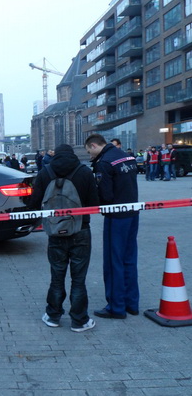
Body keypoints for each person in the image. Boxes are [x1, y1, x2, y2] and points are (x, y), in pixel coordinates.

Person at [29, 144, 99, 332]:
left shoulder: (45, 172)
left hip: (55, 231)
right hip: (81, 230)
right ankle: (79, 320)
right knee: (78, 278)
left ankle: (53, 316)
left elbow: (34, 202)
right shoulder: (84, 172)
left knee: (57, 276)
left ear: (55, 155)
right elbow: (94, 202)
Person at [85, 133, 139, 319]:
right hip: (133, 213)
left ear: (93, 145)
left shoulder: (104, 163)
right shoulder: (126, 156)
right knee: (129, 259)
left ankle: (116, 307)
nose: (90, 155)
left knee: (114, 261)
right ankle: (132, 303)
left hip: (116, 218)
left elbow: (106, 196)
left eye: (89, 151)